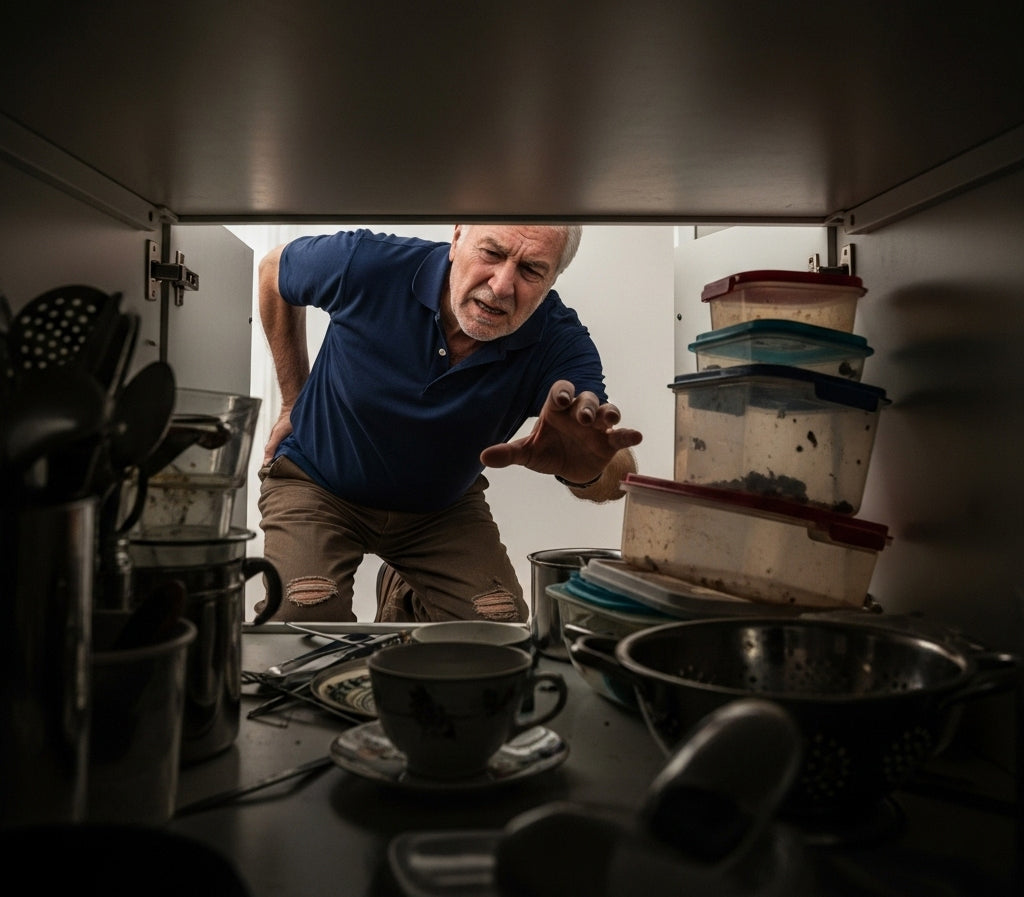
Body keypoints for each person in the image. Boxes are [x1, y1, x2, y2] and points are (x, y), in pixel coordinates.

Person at [256, 224, 642, 623]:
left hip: (440, 509)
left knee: (498, 631)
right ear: (458, 238)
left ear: (554, 277)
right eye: (492, 253)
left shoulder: (560, 341)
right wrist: (293, 400)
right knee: (303, 621)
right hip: (318, 482)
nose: (501, 285)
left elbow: (612, 462)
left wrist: (589, 469)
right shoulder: (367, 261)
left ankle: (405, 592)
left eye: (531, 270)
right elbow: (273, 271)